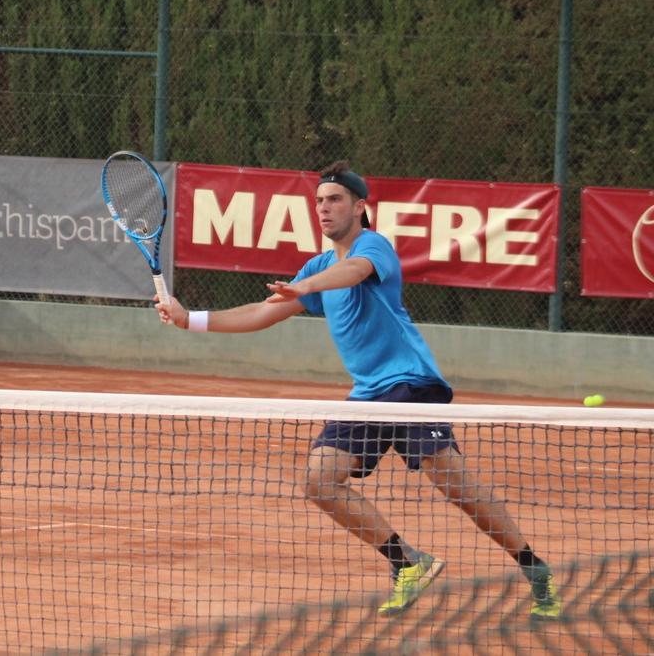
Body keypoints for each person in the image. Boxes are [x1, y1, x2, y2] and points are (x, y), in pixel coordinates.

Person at [155, 160, 561, 619]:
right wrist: (191, 319)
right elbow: (260, 312)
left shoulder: (374, 246)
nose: (324, 209)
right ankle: (406, 561)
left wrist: (303, 285)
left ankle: (535, 569)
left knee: (457, 488)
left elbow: (353, 272)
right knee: (320, 482)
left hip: (411, 386)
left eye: (334, 200)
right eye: (319, 202)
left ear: (359, 206)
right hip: (367, 394)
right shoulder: (318, 265)